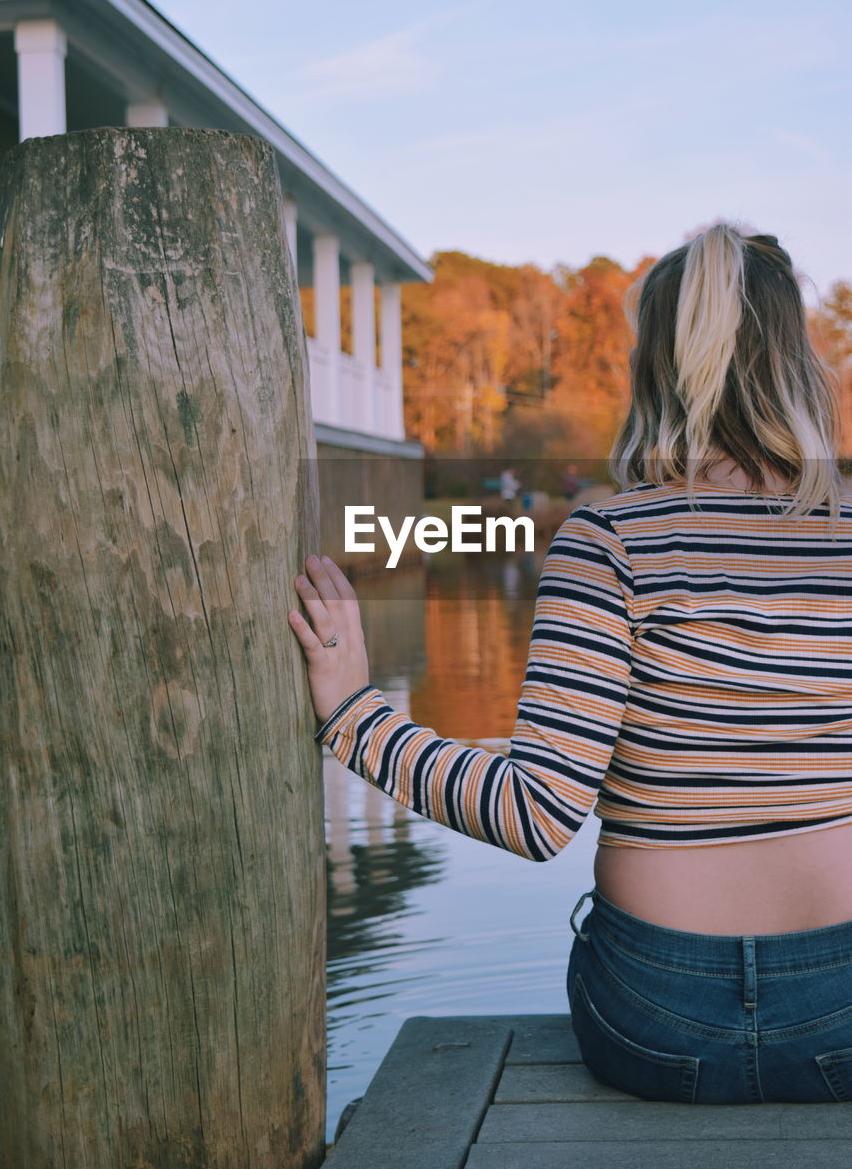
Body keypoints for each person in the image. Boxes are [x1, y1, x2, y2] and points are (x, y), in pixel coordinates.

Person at [287, 223, 852, 1105]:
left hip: (655, 1018)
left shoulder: (610, 540)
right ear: (795, 363)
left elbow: (536, 813)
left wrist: (356, 717)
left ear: (654, 371)